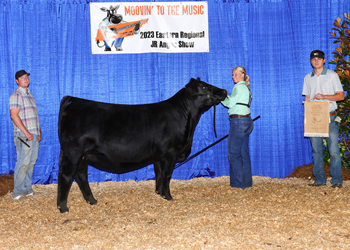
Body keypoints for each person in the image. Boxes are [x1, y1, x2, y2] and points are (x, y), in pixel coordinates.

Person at [302, 50, 344, 188]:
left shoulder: (332, 76)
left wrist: (325, 96)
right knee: (316, 150)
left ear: (324, 60)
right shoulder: (308, 78)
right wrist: (307, 110)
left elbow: (340, 96)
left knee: (333, 150)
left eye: (319, 59)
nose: (316, 61)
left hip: (330, 117)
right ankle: (319, 179)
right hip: (314, 118)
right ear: (311, 61)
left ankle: (337, 179)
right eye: (314, 59)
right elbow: (307, 97)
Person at [9, 70, 42, 199]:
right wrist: (26, 132)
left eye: (26, 77)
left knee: (31, 162)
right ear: (17, 81)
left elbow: (34, 115)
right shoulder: (16, 95)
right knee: (23, 163)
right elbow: (14, 115)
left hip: (32, 134)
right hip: (23, 135)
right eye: (22, 78)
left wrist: (38, 131)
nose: (26, 79)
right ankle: (17, 192)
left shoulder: (30, 95)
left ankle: (27, 189)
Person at [221, 66, 253, 189]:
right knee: (243, 152)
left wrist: (220, 97)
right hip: (246, 121)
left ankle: (238, 184)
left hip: (238, 122)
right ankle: (246, 183)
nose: (233, 77)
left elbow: (229, 103)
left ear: (243, 75)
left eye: (236, 74)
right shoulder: (246, 88)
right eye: (233, 75)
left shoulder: (239, 87)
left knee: (234, 153)